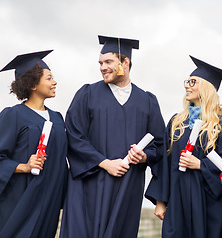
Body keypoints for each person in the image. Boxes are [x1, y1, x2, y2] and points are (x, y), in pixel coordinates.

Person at [59, 35, 165, 238]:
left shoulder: (147, 101)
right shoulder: (88, 94)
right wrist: (104, 163)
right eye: (100, 63)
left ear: (125, 63)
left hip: (128, 186)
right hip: (89, 184)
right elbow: (73, 135)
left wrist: (144, 157)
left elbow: (159, 144)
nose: (102, 67)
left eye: (108, 62)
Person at [145, 56, 222, 238]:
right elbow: (165, 161)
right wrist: (161, 200)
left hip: (208, 200)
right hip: (178, 198)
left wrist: (200, 165)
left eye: (193, 82)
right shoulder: (177, 121)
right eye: (187, 81)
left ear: (207, 88)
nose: (187, 85)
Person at [0, 50, 68, 238]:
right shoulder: (13, 115)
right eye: (49, 78)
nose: (55, 82)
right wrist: (23, 166)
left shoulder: (57, 118)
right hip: (20, 201)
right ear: (32, 84)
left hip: (50, 202)